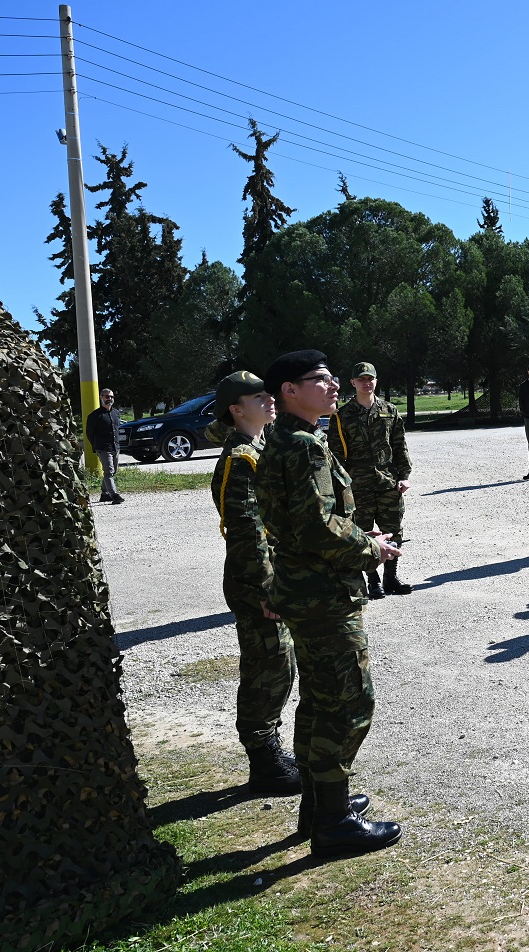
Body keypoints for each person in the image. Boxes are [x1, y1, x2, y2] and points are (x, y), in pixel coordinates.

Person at [255, 349, 403, 857]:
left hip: (306, 589)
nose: (334, 385)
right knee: (348, 700)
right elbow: (317, 527)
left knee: (319, 700)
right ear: (289, 390)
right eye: (320, 379)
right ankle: (334, 823)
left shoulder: (290, 439)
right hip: (323, 594)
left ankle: (319, 805)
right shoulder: (302, 446)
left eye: (333, 378)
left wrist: (360, 534)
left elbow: (306, 520)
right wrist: (371, 549)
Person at [209, 371, 298, 795]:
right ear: (237, 409)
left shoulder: (261, 448)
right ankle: (264, 761)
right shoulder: (240, 459)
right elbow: (246, 531)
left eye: (268, 393)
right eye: (258, 397)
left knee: (280, 664)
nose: (269, 400)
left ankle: (270, 747)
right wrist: (266, 589)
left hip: (272, 578)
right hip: (256, 583)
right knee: (267, 667)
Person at [331, 362, 413, 599]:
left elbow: (399, 445)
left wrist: (404, 476)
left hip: (388, 482)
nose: (366, 383)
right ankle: (373, 580)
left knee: (393, 531)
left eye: (370, 379)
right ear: (353, 383)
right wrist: (342, 486)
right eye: (361, 379)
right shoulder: (342, 416)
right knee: (364, 533)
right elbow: (336, 454)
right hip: (358, 485)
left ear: (376, 381)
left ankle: (391, 578)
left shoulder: (389, 410)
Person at [85, 388, 124, 505]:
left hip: (115, 447)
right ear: (101, 398)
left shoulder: (116, 413)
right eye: (107, 396)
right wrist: (96, 446)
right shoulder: (94, 415)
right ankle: (114, 495)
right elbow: (89, 433)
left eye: (111, 397)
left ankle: (104, 494)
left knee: (113, 471)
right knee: (109, 471)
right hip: (103, 448)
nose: (109, 399)